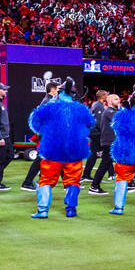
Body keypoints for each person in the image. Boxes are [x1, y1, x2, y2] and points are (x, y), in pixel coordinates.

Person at [27, 91, 93, 219]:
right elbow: (90, 124)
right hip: (74, 149)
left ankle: (43, 210)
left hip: (53, 149)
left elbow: (35, 124)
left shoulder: (50, 107)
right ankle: (71, 209)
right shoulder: (80, 109)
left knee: (46, 179)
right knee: (73, 180)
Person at [20, 81, 61, 192]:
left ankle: (40, 179)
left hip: (47, 133)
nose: (59, 91)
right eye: (58, 89)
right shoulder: (48, 101)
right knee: (41, 158)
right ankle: (27, 182)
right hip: (48, 134)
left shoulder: (47, 101)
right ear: (52, 90)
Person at [88, 94, 121, 195]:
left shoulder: (113, 111)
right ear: (109, 101)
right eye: (116, 99)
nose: (118, 100)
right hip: (109, 142)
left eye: (119, 99)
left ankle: (129, 183)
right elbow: (121, 120)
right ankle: (94, 186)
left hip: (112, 141)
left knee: (112, 163)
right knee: (105, 164)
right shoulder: (109, 111)